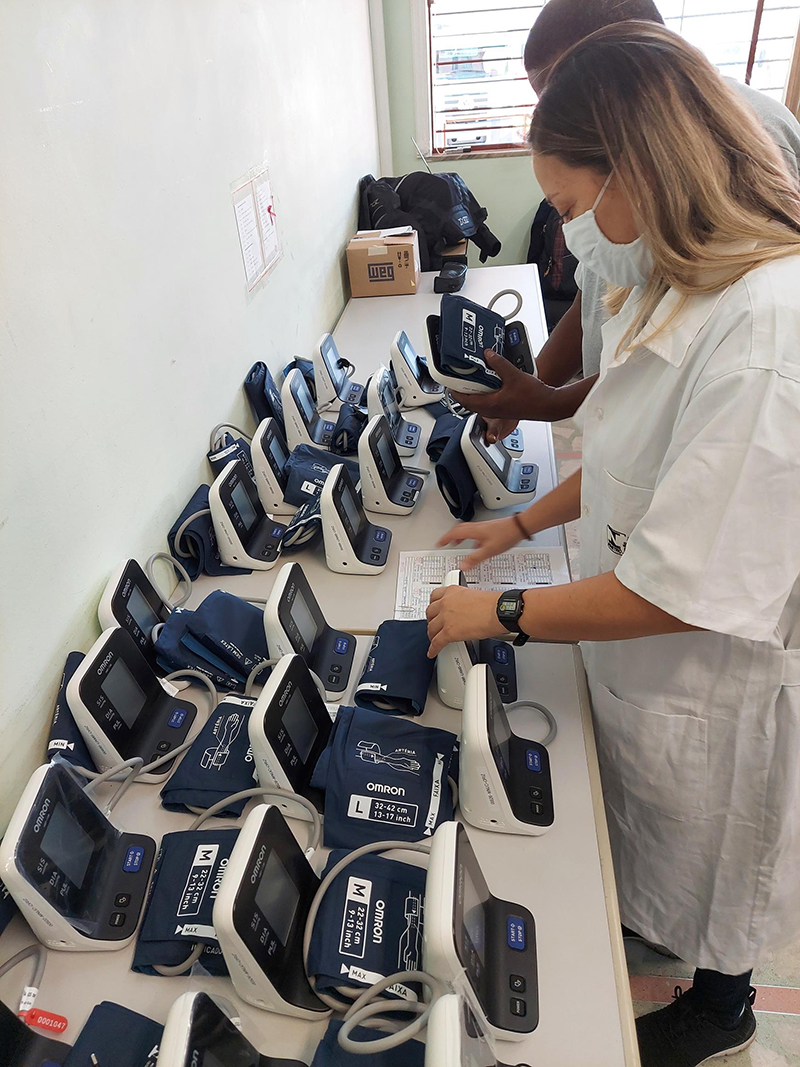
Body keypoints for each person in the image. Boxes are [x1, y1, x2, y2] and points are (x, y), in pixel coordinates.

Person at [426, 22, 800, 1067]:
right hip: (642, 632)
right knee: (642, 836)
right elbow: (638, 453)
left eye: (565, 202)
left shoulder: (767, 334)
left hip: (708, 662)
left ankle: (720, 1002)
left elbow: (680, 587)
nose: (567, 231)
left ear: (633, 170)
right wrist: (517, 524)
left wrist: (498, 608)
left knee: (718, 858)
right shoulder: (687, 277)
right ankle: (663, 931)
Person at [461, 0, 800, 445]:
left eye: (563, 90)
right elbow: (599, 292)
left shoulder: (749, 327)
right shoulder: (629, 225)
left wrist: (552, 403)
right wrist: (530, 391)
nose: (558, 113)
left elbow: (660, 379)